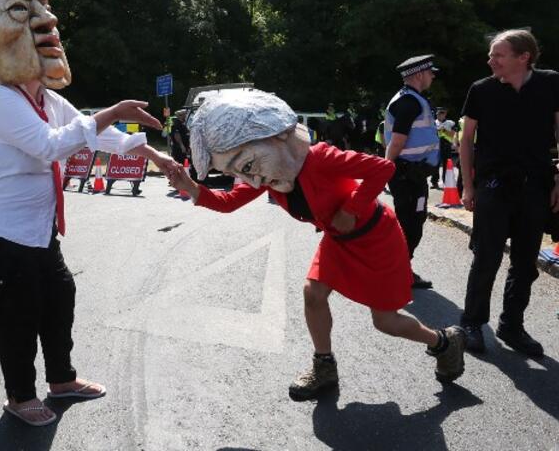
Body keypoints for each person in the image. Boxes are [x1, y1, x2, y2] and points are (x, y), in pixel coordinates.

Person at [0, 0, 175, 427]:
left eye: (44, 6)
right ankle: (18, 396)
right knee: (13, 315)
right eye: (19, 9)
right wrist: (111, 112)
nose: (46, 21)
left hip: (36, 228)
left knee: (59, 297)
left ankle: (62, 379)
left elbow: (86, 131)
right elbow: (49, 146)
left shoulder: (44, 96)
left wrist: (149, 153)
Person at [168, 89, 466, 401]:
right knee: (313, 293)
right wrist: (190, 186)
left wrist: (350, 209)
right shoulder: (269, 173)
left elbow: (382, 169)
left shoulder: (320, 157)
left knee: (386, 321)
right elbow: (229, 202)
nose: (252, 180)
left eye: (244, 166)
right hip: (338, 241)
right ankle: (324, 365)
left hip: (377, 237)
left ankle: (443, 342)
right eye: (235, 171)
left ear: (277, 139)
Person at [459, 29, 559, 357]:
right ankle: (472, 324)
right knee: (486, 258)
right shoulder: (481, 90)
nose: (490, 61)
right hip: (493, 187)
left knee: (525, 262)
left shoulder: (550, 83)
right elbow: (465, 139)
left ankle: (511, 325)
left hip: (535, 187)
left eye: (498, 55)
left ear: (523, 57)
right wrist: (468, 186)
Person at [384, 55, 440, 289]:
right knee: (410, 224)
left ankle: (400, 269)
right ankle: (397, 272)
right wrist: (386, 169)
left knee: (412, 221)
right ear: (419, 74)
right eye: (430, 72)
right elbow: (397, 141)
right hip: (407, 176)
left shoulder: (412, 99)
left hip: (412, 175)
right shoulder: (410, 103)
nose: (433, 76)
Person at [431, 108, 457, 189]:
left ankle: (446, 181)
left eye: (442, 113)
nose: (440, 115)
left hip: (446, 145)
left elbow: (453, 134)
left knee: (446, 164)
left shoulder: (450, 123)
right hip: (436, 146)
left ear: (445, 114)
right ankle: (434, 182)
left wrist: (444, 131)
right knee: (435, 164)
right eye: (438, 114)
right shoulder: (434, 123)